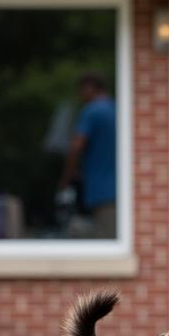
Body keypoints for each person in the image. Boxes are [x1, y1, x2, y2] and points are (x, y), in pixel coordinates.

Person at [59, 71, 117, 239]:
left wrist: (66, 178)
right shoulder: (116, 109)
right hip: (116, 189)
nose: (80, 95)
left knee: (105, 237)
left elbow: (76, 146)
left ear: (90, 88)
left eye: (82, 90)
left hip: (103, 191)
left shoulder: (92, 111)